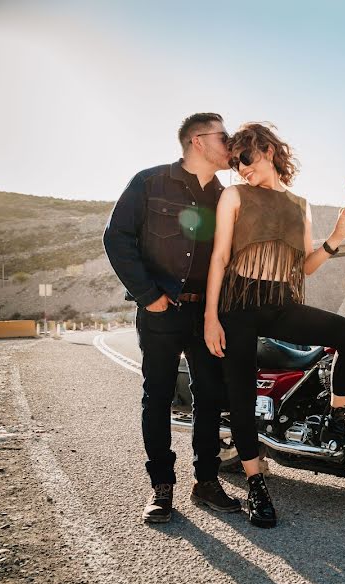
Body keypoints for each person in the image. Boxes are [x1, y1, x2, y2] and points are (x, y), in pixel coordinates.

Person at [204, 122, 345, 528]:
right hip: (239, 304)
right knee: (240, 397)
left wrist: (336, 236)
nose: (241, 168)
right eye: (235, 162)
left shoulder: (299, 204)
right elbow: (220, 258)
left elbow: (303, 267)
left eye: (246, 158)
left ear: (269, 151)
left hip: (281, 303)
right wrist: (211, 317)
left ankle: (338, 416)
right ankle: (257, 484)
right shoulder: (233, 196)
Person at [103, 112, 242, 523]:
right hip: (161, 312)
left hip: (209, 314)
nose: (231, 143)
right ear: (198, 140)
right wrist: (150, 297)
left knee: (210, 397)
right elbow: (117, 237)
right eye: (224, 136)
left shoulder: (226, 195)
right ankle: (161, 488)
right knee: (159, 397)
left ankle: (207, 481)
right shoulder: (150, 181)